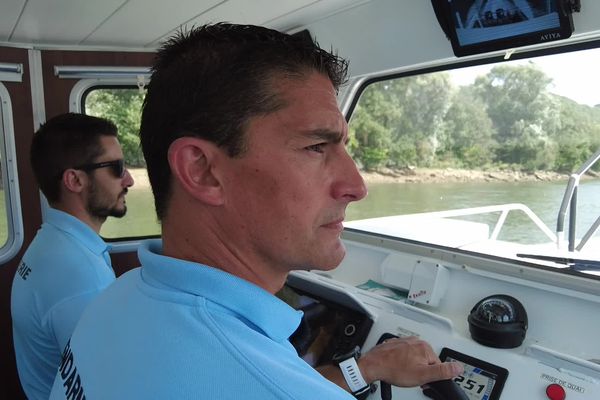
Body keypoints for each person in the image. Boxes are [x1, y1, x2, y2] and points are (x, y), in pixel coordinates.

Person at [49, 24, 461, 400]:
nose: (356, 186)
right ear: (203, 171)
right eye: (316, 147)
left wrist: (364, 369)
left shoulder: (118, 299)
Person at [11, 113, 134, 400]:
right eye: (116, 167)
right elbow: (111, 386)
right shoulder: (79, 275)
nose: (127, 179)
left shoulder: (53, 244)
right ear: (75, 180)